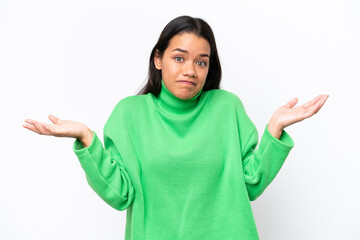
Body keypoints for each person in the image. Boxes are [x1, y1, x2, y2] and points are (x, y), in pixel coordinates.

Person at [23, 15, 329, 240]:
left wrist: (274, 128)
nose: (189, 70)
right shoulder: (130, 114)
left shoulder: (227, 107)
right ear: (158, 59)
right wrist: (87, 139)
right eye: (179, 58)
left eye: (201, 62)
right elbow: (120, 194)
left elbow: (249, 183)